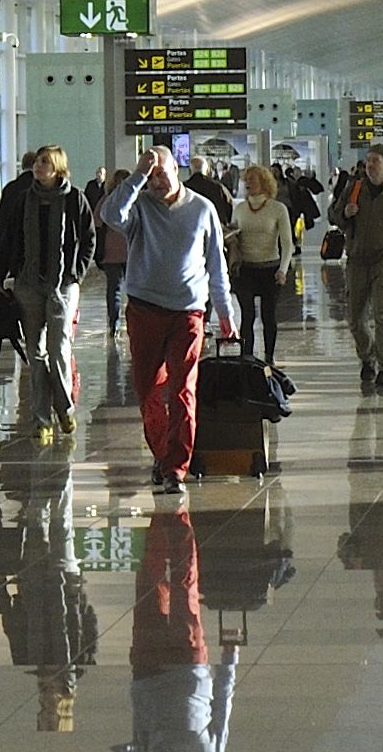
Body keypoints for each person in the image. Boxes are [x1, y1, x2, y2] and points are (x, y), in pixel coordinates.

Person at [102, 146, 236, 498]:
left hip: (188, 312)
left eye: (161, 172)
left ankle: (177, 466)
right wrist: (137, 176)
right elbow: (110, 214)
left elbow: (216, 266)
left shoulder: (201, 209)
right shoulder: (139, 206)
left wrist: (225, 313)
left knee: (181, 389)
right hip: (145, 308)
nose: (156, 180)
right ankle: (163, 456)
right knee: (148, 392)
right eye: (151, 175)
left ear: (176, 170)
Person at [112, 507, 233, 752]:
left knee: (149, 583)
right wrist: (229, 661)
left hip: (147, 671)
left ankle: (158, 515)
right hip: (188, 666)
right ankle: (176, 513)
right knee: (184, 584)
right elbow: (222, 711)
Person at [0, 146, 91, 422]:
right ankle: (41, 417)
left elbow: (89, 238)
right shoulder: (24, 200)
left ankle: (64, 407)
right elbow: (8, 241)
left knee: (59, 348)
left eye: (45, 162)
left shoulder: (75, 199)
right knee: (35, 351)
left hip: (63, 285)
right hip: (28, 284)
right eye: (37, 162)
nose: (38, 166)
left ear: (58, 167)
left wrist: (76, 273)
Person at [326, 144, 383, 394]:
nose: (370, 165)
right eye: (368, 161)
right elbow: (334, 216)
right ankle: (367, 356)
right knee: (355, 316)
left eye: (375, 161)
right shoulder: (354, 189)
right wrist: (345, 212)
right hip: (356, 258)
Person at [227, 164, 293, 359]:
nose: (248, 183)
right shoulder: (239, 209)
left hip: (269, 269)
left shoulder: (278, 209)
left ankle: (269, 357)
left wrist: (283, 269)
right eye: (246, 179)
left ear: (264, 183)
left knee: (268, 316)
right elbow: (234, 238)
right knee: (247, 315)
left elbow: (287, 243)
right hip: (245, 269)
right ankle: (246, 358)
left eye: (252, 179)